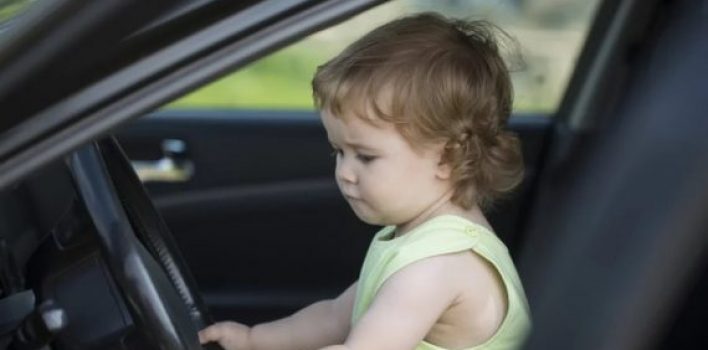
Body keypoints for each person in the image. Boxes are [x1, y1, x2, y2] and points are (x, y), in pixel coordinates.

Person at [199, 12, 531, 350]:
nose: (344, 171)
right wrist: (252, 340)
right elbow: (333, 318)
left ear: (445, 158)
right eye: (338, 152)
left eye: (366, 156)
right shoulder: (414, 241)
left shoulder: (436, 266)